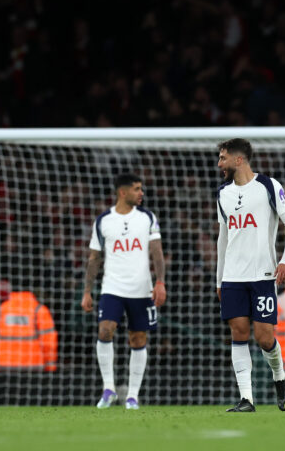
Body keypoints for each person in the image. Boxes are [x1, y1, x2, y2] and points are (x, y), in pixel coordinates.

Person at [216, 138, 285, 412]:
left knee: (264, 337)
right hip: (232, 277)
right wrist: (219, 279)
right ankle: (247, 399)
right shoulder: (223, 194)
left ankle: (280, 378)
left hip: (263, 275)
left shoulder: (268, 186)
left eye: (223, 158)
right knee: (238, 332)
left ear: (238, 160)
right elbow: (223, 238)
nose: (220, 164)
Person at [82, 173, 166, 410]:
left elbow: (157, 251)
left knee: (138, 337)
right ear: (123, 192)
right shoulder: (103, 221)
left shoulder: (147, 217)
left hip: (141, 289)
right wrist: (87, 291)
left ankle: (132, 396)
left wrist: (160, 282)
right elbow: (94, 258)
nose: (141, 193)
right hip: (112, 288)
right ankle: (108, 389)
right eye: (137, 189)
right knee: (105, 329)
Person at [0, 291, 57, 372]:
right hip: (34, 366)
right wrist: (50, 365)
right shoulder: (40, 310)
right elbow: (48, 341)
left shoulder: (0, 310)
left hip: (5, 365)